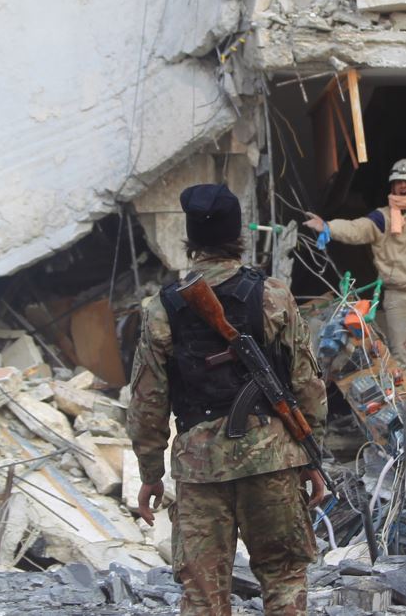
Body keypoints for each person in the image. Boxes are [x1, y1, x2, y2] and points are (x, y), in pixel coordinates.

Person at [127, 184, 327, 616]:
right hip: (272, 463)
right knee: (285, 579)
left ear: (191, 239)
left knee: (203, 594)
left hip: (201, 471)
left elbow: (147, 402)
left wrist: (150, 472)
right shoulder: (273, 295)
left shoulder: (161, 309)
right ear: (238, 235)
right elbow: (307, 383)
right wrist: (311, 458)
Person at [305, 158, 406, 382]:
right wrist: (328, 227)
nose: (402, 186)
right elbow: (356, 229)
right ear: (392, 187)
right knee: (400, 360)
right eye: (397, 182)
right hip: (398, 296)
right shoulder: (381, 218)